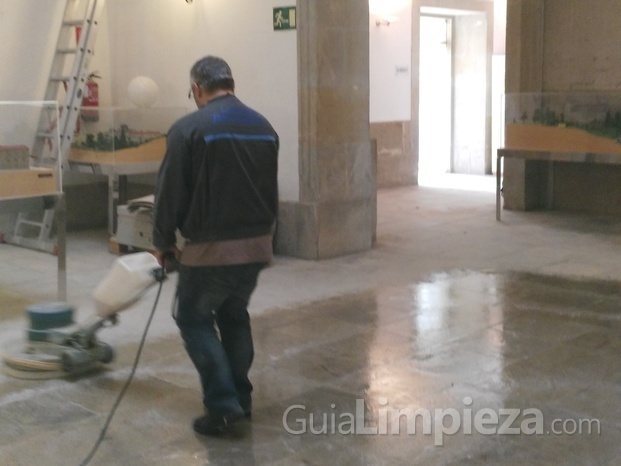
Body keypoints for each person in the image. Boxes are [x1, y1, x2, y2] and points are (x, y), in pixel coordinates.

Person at [152, 55, 279, 436]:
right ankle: (241, 399)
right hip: (257, 246)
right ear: (231, 84)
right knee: (233, 315)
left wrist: (162, 241)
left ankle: (223, 406)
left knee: (192, 318)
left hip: (211, 251)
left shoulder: (189, 128)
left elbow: (170, 192)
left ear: (196, 89)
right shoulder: (263, 126)